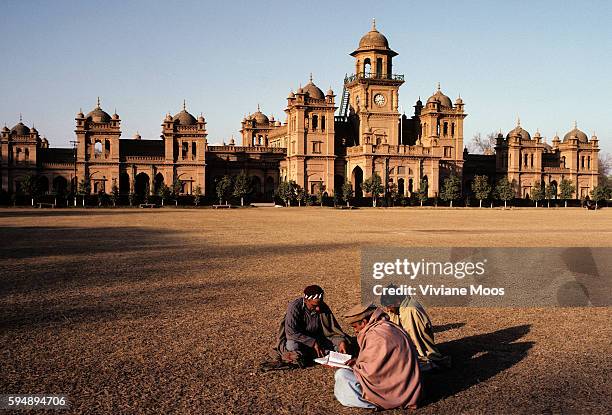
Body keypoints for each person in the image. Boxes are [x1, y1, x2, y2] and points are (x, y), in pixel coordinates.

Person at [334, 304, 422, 410]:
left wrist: (354, 365)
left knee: (342, 375)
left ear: (364, 322)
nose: (356, 331)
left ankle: (375, 403)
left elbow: (372, 372)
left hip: (393, 389)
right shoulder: (390, 326)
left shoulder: (376, 336)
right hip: (406, 383)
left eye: (355, 327)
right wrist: (358, 362)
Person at [271, 285, 351, 367]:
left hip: (319, 338)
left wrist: (341, 342)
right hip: (300, 340)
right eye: (314, 305)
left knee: (342, 345)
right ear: (306, 300)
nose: (318, 309)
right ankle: (312, 354)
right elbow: (291, 332)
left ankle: (313, 354)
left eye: (319, 304)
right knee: (292, 346)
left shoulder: (322, 307)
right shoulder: (294, 307)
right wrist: (312, 343)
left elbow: (333, 330)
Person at [381, 292, 450, 370]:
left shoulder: (410, 312)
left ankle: (431, 364)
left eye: (389, 306)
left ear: (397, 301)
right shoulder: (399, 307)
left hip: (422, 353)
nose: (387, 310)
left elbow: (414, 339)